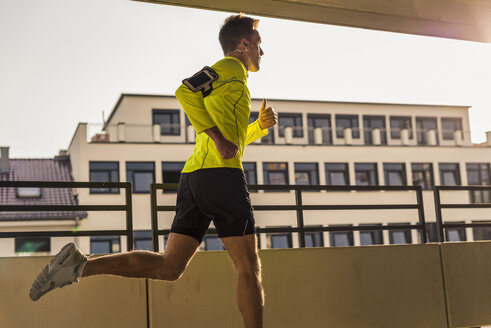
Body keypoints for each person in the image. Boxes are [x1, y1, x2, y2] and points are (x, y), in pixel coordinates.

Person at [29, 14, 277, 328]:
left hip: (196, 177)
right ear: (243, 44)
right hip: (220, 176)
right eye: (258, 44)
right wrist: (219, 138)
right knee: (248, 267)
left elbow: (231, 140)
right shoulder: (230, 68)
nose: (261, 51)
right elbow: (185, 91)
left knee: (169, 266)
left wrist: (257, 127)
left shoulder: (234, 80)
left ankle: (80, 266)